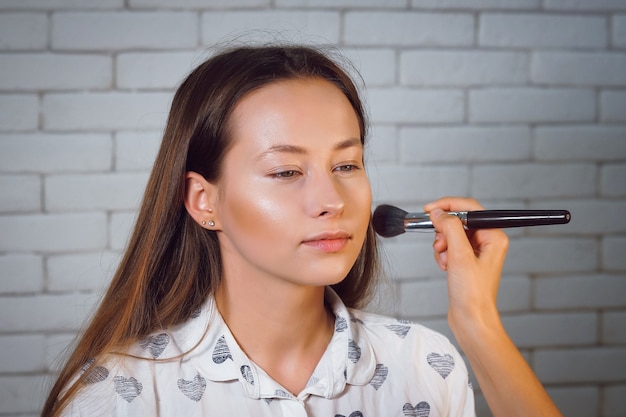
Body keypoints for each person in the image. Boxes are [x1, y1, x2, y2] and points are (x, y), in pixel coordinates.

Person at [41, 44, 562, 417]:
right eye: (287, 172)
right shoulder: (120, 392)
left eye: (348, 165)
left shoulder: (424, 363)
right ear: (205, 201)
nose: (332, 201)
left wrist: (476, 322)